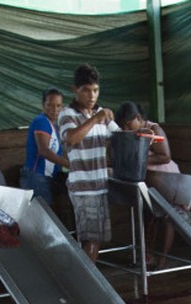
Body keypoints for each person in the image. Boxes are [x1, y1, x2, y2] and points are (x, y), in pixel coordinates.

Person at [59, 63, 120, 263]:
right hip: (83, 188)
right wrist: (96, 118)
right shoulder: (67, 114)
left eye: (95, 90)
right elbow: (71, 139)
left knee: (97, 240)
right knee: (92, 240)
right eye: (86, 90)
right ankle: (84, 287)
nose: (92, 96)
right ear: (74, 89)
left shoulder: (102, 113)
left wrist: (144, 133)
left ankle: (84, 284)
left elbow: (120, 137)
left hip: (100, 186)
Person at [116, 101, 181, 268]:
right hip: (151, 180)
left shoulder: (154, 130)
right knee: (148, 217)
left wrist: (138, 160)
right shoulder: (132, 132)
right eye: (122, 126)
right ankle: (148, 255)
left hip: (167, 178)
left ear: (138, 118)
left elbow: (165, 156)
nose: (125, 129)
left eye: (128, 124)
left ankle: (163, 259)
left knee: (168, 218)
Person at [21, 88, 72, 205]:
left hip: (44, 177)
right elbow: (43, 150)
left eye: (58, 106)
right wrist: (69, 164)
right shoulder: (41, 121)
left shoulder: (52, 125)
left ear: (62, 107)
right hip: (36, 177)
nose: (54, 110)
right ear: (43, 105)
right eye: (50, 105)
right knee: (42, 216)